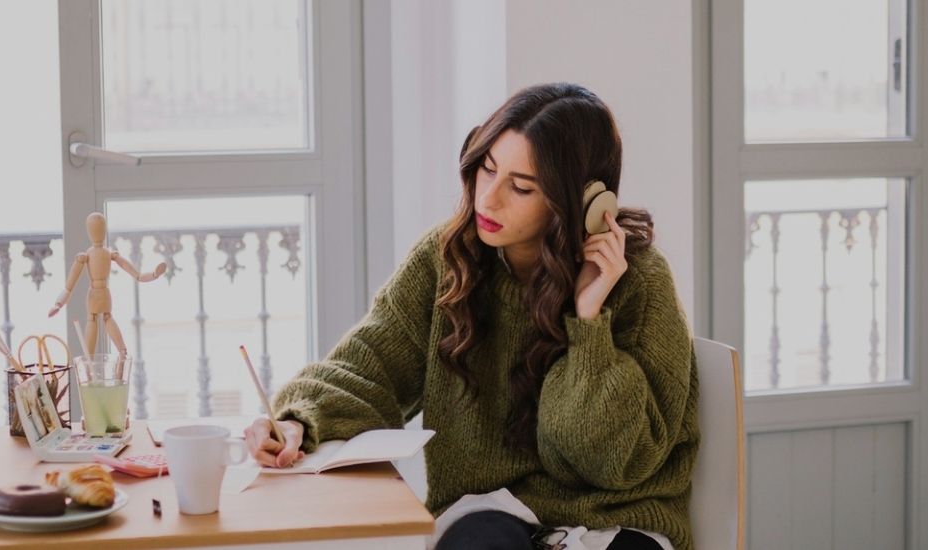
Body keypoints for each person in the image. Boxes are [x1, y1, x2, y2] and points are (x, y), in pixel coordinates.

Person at [243, 82, 698, 550]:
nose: (489, 199)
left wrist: (588, 320)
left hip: (613, 518)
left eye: (521, 187)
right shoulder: (448, 259)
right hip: (488, 511)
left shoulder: (638, 280)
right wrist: (299, 421)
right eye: (487, 169)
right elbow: (370, 363)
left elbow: (610, 460)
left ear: (581, 202)